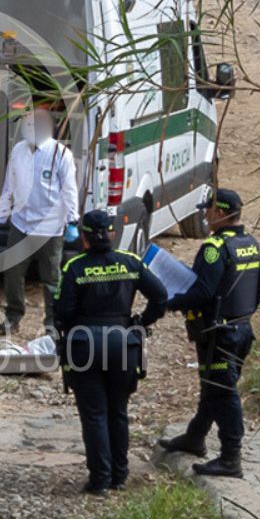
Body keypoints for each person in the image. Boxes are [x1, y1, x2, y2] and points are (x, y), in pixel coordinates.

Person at [54, 210, 169, 495]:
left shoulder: (75, 267)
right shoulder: (130, 261)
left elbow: (62, 312)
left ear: (84, 238)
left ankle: (100, 481)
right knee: (118, 411)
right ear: (113, 233)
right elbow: (161, 295)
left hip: (85, 344)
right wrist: (141, 322)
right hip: (123, 342)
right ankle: (120, 476)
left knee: (94, 414)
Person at [157, 188, 260, 478]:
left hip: (219, 333)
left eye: (208, 210)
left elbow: (202, 293)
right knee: (213, 386)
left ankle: (231, 458)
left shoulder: (215, 248)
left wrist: (167, 303)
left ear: (220, 213)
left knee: (223, 393)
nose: (204, 215)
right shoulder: (249, 243)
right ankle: (195, 437)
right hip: (241, 329)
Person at [0, 106, 80, 335]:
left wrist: (72, 220)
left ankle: (52, 323)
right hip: (21, 223)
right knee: (12, 272)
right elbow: (9, 185)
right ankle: (13, 317)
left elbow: (69, 190)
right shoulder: (19, 150)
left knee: (51, 278)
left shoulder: (61, 155)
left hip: (50, 227)